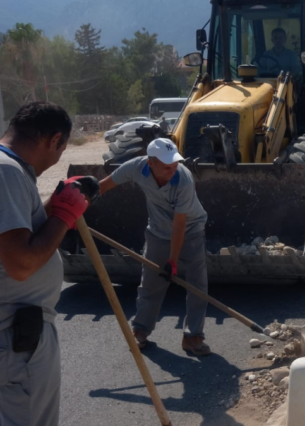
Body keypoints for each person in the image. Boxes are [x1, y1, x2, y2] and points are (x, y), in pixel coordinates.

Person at [0, 102, 97, 426]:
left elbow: (16, 233)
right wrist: (64, 214)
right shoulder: (7, 172)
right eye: (62, 149)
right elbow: (22, 263)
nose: (58, 159)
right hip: (16, 337)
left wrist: (54, 205)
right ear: (54, 140)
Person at [98, 138, 211, 356]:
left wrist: (173, 261)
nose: (173, 169)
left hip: (191, 230)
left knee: (197, 286)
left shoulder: (183, 179)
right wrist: (78, 206)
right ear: (151, 163)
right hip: (158, 232)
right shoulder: (136, 167)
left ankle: (193, 336)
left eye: (175, 164)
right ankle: (140, 330)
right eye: (167, 166)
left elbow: (179, 224)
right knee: (150, 283)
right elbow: (104, 185)